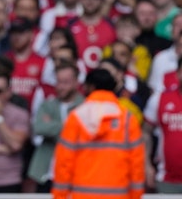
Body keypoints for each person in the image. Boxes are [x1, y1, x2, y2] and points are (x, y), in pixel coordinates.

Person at [52, 68, 145, 199]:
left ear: (90, 87)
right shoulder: (127, 119)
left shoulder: (76, 117)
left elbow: (64, 162)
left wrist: (59, 196)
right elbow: (137, 164)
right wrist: (136, 195)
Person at [27, 63, 84, 192]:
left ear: (76, 82)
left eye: (66, 82)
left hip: (74, 175)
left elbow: (82, 135)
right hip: (46, 174)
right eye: (58, 82)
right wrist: (69, 127)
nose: (61, 87)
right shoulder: (47, 105)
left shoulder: (85, 106)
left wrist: (52, 125)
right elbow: (39, 127)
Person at [143, 57, 182, 193]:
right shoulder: (159, 99)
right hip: (166, 180)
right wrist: (146, 165)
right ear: (177, 73)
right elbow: (145, 132)